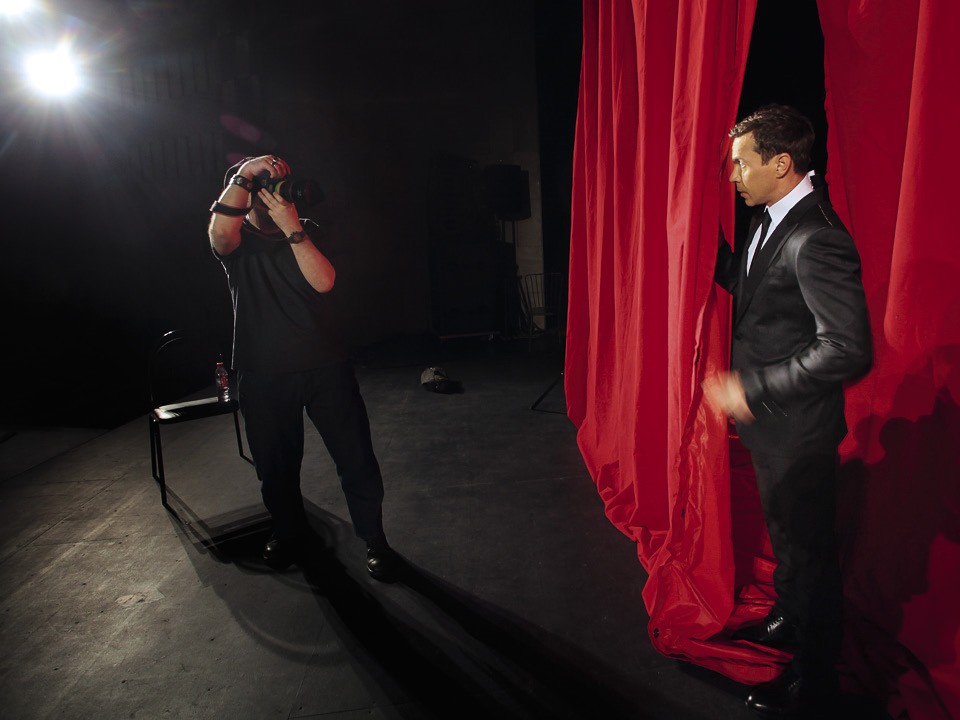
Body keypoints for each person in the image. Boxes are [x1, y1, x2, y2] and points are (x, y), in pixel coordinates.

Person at [704, 105, 872, 716]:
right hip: (773, 428)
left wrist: (752, 389)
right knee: (786, 538)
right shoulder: (770, 216)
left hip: (798, 429)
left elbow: (847, 348)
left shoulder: (818, 236)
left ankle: (815, 679)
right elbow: (760, 298)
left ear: (780, 163)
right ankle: (788, 617)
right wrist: (699, 244)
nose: (733, 176)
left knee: (810, 555)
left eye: (741, 164)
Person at [208, 154, 396, 580]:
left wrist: (292, 227)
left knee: (356, 457)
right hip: (263, 372)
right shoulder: (236, 240)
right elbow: (219, 234)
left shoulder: (307, 229)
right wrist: (247, 172)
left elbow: (324, 281)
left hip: (325, 366)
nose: (277, 190)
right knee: (275, 466)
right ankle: (288, 532)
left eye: (281, 181)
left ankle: (375, 539)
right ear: (247, 193)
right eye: (267, 184)